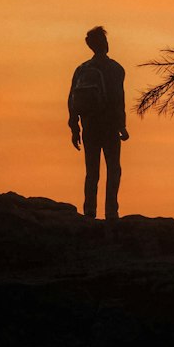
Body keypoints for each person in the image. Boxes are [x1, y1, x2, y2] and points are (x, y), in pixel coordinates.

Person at [68, 26, 129, 220]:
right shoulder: (116, 69)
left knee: (91, 171)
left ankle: (89, 212)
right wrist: (122, 125)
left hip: (89, 126)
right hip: (109, 126)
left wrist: (74, 128)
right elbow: (119, 99)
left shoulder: (81, 69)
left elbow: (71, 101)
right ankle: (111, 212)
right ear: (104, 43)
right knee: (113, 169)